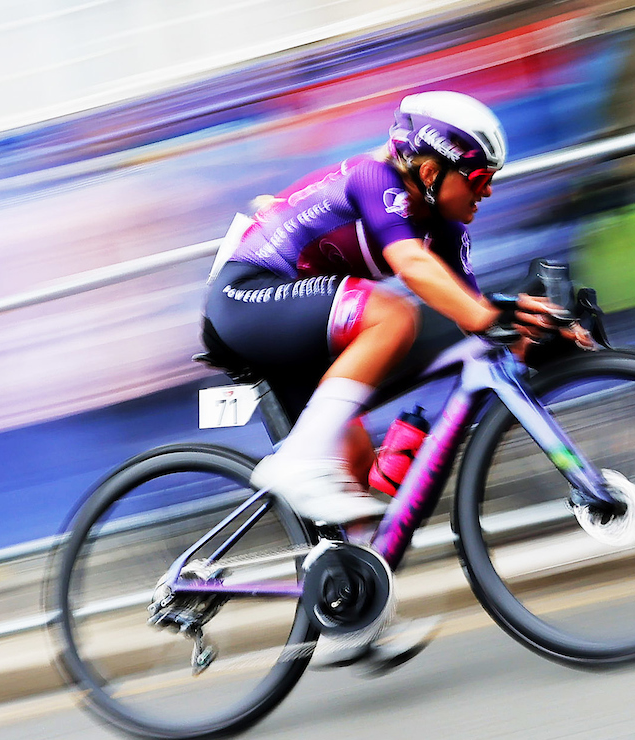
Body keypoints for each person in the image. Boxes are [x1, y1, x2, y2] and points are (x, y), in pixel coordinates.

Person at [203, 91, 561, 530]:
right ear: (430, 170)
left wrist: (538, 331)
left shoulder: (445, 228)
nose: (487, 190)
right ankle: (294, 462)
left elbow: (473, 313)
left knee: (351, 482)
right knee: (393, 315)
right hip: (245, 298)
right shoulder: (372, 177)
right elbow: (413, 267)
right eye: (479, 177)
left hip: (300, 330)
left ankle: (345, 586)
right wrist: (489, 317)